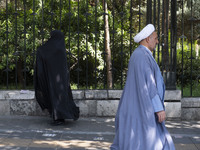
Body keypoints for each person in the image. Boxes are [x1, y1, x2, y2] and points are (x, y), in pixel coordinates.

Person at [110, 24, 175, 150]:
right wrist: (159, 108)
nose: (157, 41)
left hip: (137, 106)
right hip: (144, 107)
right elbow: (149, 84)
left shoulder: (139, 54)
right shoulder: (142, 56)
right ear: (147, 39)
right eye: (155, 38)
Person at [34, 30, 79, 125]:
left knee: (53, 94)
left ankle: (58, 117)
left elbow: (42, 52)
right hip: (61, 79)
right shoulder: (60, 47)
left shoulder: (48, 47)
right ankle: (59, 116)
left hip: (51, 77)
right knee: (61, 96)